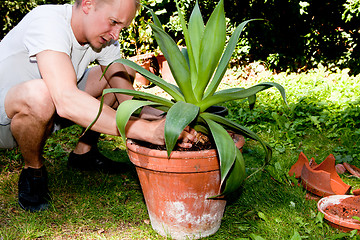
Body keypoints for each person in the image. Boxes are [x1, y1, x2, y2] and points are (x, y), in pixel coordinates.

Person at [0, 0, 196, 212]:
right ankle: (33, 171)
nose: (116, 34)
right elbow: (65, 100)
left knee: (123, 71)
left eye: (122, 27)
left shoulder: (104, 39)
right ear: (88, 4)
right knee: (41, 94)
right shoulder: (48, 21)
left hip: (53, 107)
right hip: (7, 120)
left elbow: (126, 98)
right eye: (113, 22)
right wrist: (146, 131)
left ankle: (84, 154)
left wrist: (163, 118)